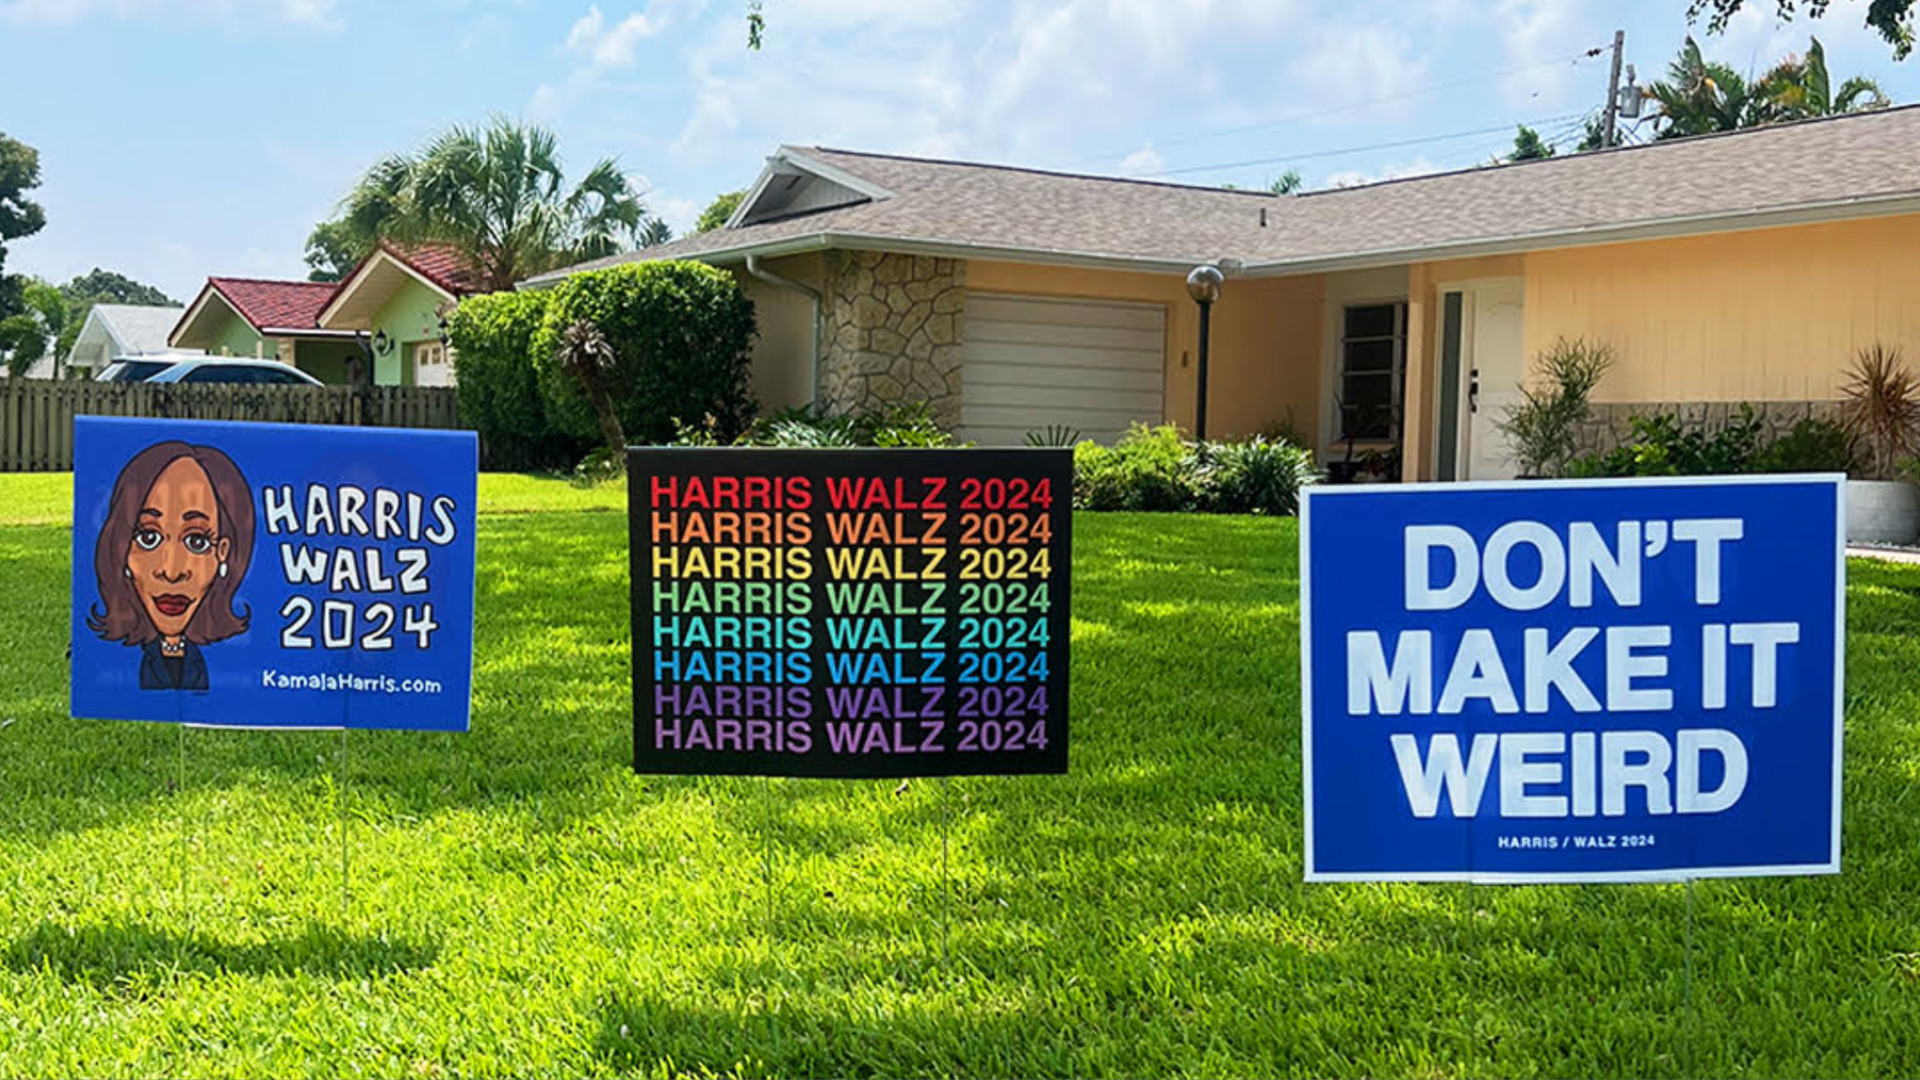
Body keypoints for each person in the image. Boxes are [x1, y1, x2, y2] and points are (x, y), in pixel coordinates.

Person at [87, 441, 255, 691]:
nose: (171, 572)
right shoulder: (122, 666)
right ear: (122, 547)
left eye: (197, 541)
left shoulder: (207, 665)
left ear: (223, 553)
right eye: (148, 538)